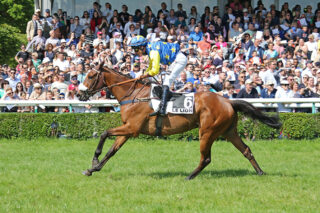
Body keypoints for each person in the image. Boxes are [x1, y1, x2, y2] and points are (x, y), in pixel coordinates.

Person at [129, 35, 187, 116]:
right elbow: (150, 66)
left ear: (142, 47)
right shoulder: (150, 49)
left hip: (178, 60)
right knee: (165, 82)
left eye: (135, 49)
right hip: (173, 61)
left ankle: (162, 109)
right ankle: (165, 103)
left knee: (167, 81)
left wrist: (144, 76)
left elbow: (155, 71)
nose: (135, 52)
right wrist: (143, 74)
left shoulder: (153, 52)